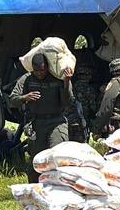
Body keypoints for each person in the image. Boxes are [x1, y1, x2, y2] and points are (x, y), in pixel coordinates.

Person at [8, 53, 74, 183]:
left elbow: (68, 101)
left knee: (58, 156)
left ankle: (59, 188)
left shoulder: (57, 78)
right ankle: (35, 190)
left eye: (42, 70)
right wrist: (24, 98)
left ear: (48, 67)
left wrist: (67, 81)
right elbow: (12, 99)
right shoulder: (27, 79)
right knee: (37, 161)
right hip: (37, 124)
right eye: (36, 70)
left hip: (56, 122)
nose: (39, 73)